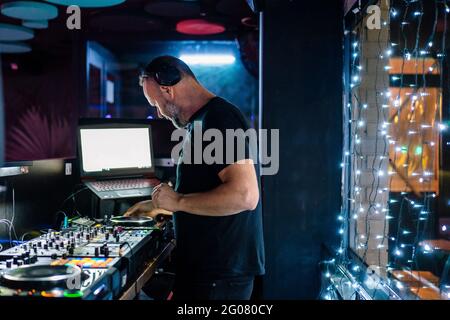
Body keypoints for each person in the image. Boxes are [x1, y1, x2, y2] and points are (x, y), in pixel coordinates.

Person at [125, 55, 265, 300]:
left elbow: (244, 195)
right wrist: (157, 204)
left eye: (154, 103)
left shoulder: (219, 119)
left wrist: (177, 202)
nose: (157, 113)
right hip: (207, 272)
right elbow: (206, 187)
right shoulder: (200, 122)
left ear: (167, 90)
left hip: (218, 277)